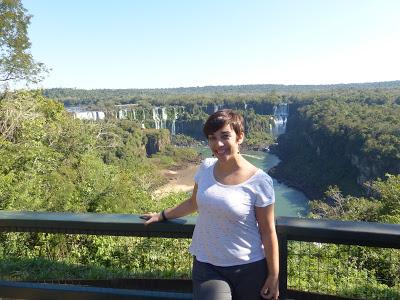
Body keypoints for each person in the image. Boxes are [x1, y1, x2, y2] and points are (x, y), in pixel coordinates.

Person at [142, 109, 279, 300]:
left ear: (240, 137)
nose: (218, 144)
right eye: (212, 138)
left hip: (249, 267)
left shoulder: (260, 181)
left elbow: (268, 230)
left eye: (225, 136)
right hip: (208, 265)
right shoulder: (206, 166)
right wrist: (161, 215)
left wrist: (273, 275)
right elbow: (193, 203)